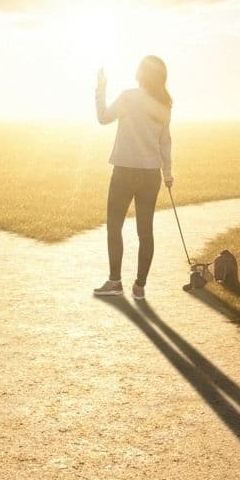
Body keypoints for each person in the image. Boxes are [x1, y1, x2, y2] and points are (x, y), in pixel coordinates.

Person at [93, 56, 173, 299]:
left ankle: (115, 281)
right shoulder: (164, 107)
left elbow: (103, 117)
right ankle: (140, 286)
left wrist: (101, 88)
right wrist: (168, 173)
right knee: (145, 231)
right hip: (151, 175)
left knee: (114, 226)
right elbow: (165, 143)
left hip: (125, 172)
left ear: (141, 74)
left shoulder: (129, 97)